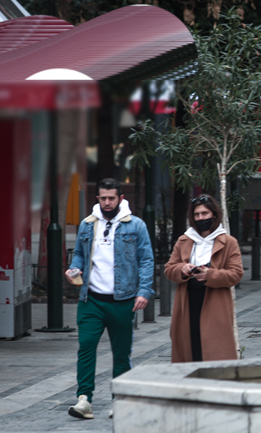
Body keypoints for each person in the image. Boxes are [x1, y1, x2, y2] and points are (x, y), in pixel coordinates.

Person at [65, 178, 154, 419]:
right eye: (103, 198)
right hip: (91, 299)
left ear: (120, 199)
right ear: (98, 199)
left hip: (122, 300)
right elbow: (80, 257)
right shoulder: (87, 225)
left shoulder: (136, 226)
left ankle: (120, 400)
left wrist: (144, 291)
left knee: (121, 353)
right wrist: (74, 270)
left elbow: (146, 260)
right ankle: (84, 399)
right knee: (86, 347)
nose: (107, 202)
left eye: (111, 198)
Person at [165, 194, 243, 363]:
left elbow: (236, 273)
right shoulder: (185, 240)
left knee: (214, 350)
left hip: (215, 303)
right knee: (189, 347)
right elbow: (169, 269)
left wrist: (211, 275)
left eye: (204, 214)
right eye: (197, 215)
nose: (200, 218)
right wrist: (182, 269)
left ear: (214, 214)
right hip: (188, 302)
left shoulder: (228, 242)